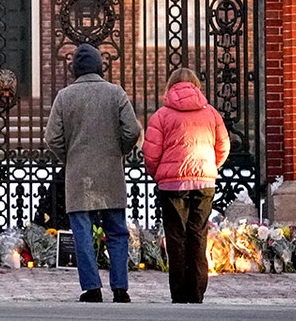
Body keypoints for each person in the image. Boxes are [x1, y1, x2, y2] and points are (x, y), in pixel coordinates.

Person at [43, 43, 141, 303]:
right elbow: (132, 130)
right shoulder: (115, 93)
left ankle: (91, 288)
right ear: (100, 66)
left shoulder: (64, 96)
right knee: (117, 231)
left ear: (75, 69)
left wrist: (70, 156)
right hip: (110, 170)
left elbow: (52, 137)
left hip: (79, 175)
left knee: (83, 232)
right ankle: (120, 288)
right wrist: (118, 150)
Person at [142, 68, 230, 304]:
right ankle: (197, 291)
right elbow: (223, 146)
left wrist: (158, 173)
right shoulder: (211, 114)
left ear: (170, 87)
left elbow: (151, 153)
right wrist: (210, 167)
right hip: (204, 182)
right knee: (198, 234)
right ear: (196, 86)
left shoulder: (161, 116)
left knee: (175, 237)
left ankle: (179, 292)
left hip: (172, 185)